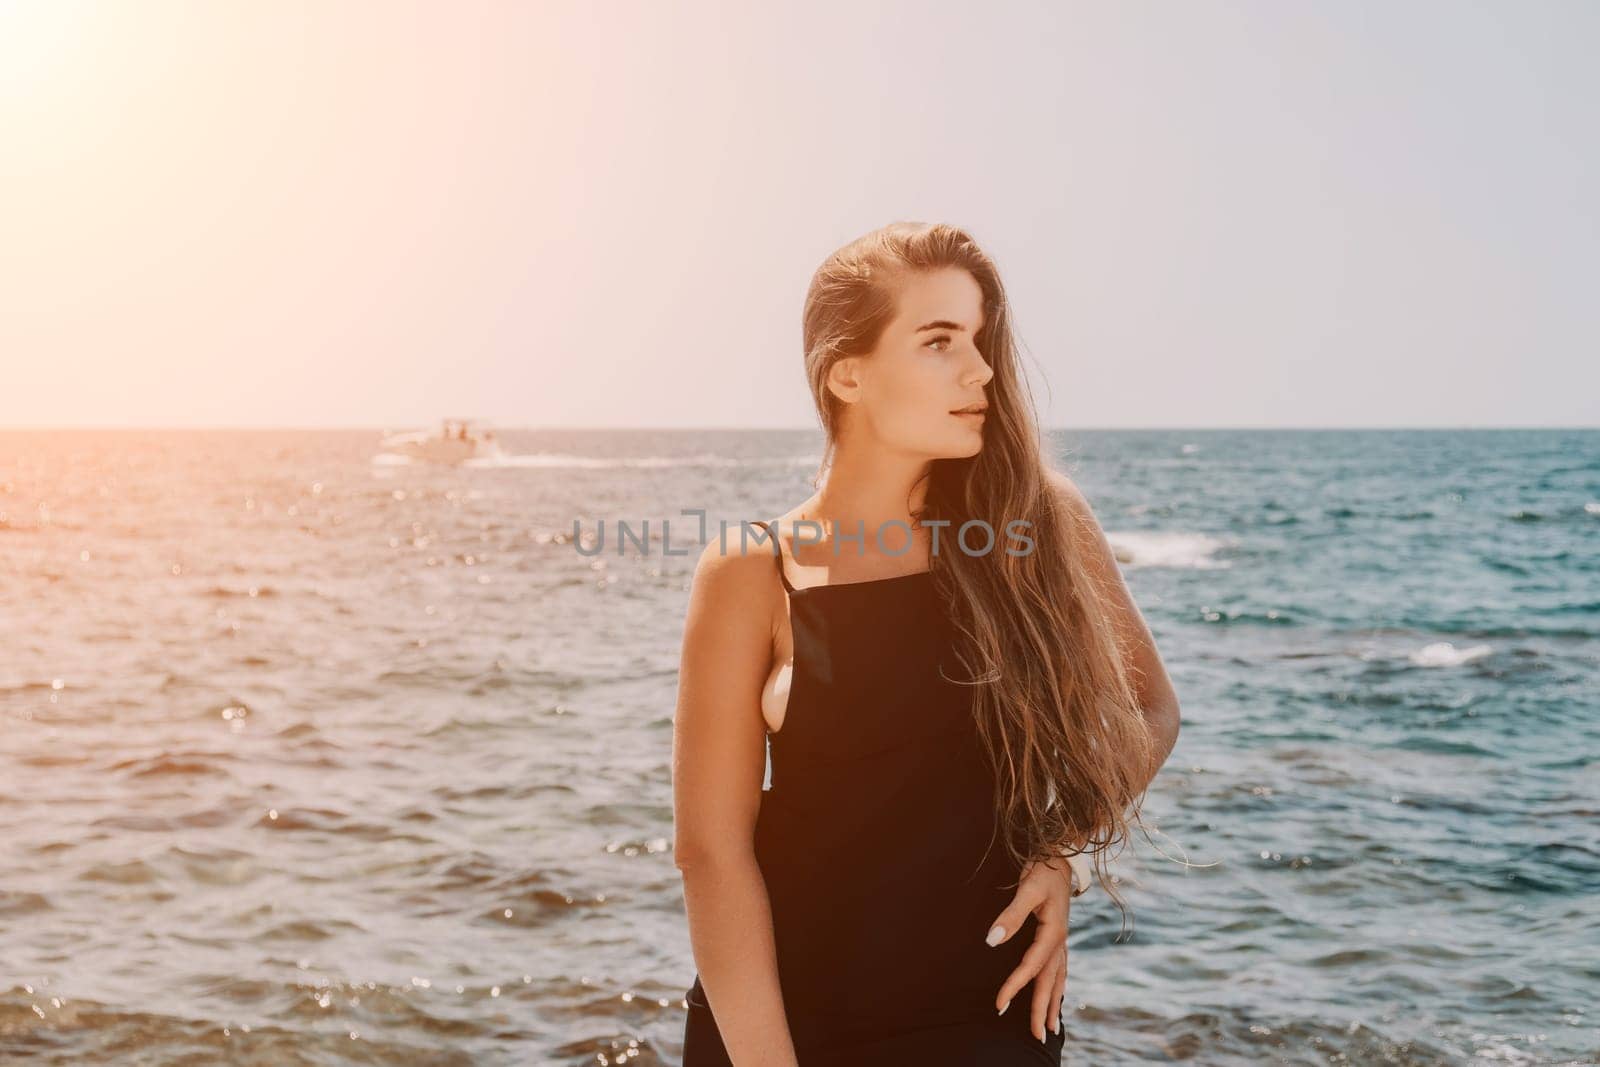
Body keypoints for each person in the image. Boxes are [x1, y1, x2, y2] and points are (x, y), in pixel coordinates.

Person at [671, 221, 1182, 1066]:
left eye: (980, 341)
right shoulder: (753, 571)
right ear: (848, 372)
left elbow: (1150, 708)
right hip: (784, 1016)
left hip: (990, 1006)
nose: (980, 370)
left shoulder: (1037, 525)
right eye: (939, 340)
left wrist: (1062, 847)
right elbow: (711, 851)